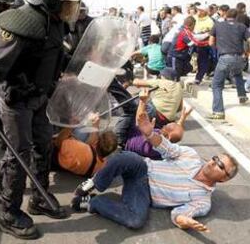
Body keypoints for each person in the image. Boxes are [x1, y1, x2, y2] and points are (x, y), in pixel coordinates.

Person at [0, 0, 82, 239]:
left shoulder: (56, 22)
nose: (70, 10)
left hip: (39, 99)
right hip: (16, 100)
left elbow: (57, 54)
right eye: (66, 4)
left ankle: (38, 197)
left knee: (43, 144)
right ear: (50, 0)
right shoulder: (22, 22)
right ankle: (9, 213)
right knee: (18, 155)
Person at [71, 89, 239, 232]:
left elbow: (179, 214)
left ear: (224, 178)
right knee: (128, 157)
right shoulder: (191, 156)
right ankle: (93, 183)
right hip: (142, 169)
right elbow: (166, 147)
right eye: (215, 158)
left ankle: (92, 203)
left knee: (136, 220)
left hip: (145, 194)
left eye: (219, 164)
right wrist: (150, 134)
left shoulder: (203, 201)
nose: (212, 162)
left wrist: (185, 222)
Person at [124, 90, 192, 160]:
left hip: (125, 142)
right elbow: (175, 131)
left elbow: (139, 121)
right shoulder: (168, 148)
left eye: (166, 127)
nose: (164, 126)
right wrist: (183, 118)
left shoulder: (153, 140)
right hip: (133, 154)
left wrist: (142, 101)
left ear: (168, 137)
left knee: (130, 110)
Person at [207, 8, 250, 120]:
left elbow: (210, 42)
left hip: (225, 57)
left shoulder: (218, 25)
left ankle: (218, 111)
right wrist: (246, 53)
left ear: (225, 15)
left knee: (217, 85)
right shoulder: (242, 27)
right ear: (236, 17)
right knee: (237, 74)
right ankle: (242, 97)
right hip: (240, 58)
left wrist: (219, 49)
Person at [53, 113, 117, 177]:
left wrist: (71, 126)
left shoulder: (77, 148)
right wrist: (95, 126)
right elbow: (91, 146)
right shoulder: (102, 165)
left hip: (56, 157)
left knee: (78, 131)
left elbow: (58, 142)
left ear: (97, 142)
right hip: (79, 165)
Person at [193, 3, 214, 85]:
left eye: (200, 10)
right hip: (192, 42)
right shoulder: (194, 18)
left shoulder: (209, 21)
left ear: (205, 11)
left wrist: (203, 33)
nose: (198, 11)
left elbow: (211, 33)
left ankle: (199, 77)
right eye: (198, 10)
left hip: (203, 45)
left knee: (202, 61)